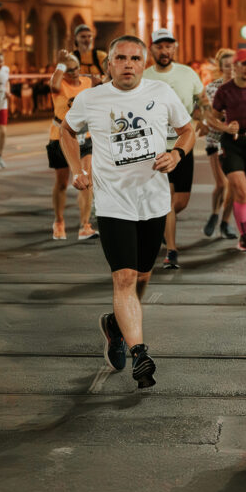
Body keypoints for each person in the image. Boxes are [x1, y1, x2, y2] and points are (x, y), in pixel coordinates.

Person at [60, 35, 195, 388]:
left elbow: (187, 130)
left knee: (142, 278)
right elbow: (66, 130)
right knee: (124, 279)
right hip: (113, 202)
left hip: (152, 202)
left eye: (136, 58)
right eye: (121, 58)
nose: (128, 64)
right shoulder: (91, 98)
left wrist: (177, 155)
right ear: (109, 64)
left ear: (144, 62)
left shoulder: (161, 93)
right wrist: (78, 169)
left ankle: (116, 327)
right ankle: (139, 353)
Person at [143, 28, 205, 269]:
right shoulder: (145, 76)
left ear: (175, 48)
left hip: (183, 146)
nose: (164, 51)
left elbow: (201, 100)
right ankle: (172, 250)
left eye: (168, 46)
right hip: (156, 149)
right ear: (152, 50)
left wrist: (204, 114)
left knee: (181, 202)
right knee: (167, 200)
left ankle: (160, 226)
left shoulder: (188, 74)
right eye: (159, 46)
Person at [207, 49, 246, 252]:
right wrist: (225, 127)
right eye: (244, 64)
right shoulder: (224, 90)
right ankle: (245, 236)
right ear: (235, 66)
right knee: (242, 192)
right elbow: (211, 118)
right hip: (232, 144)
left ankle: (239, 209)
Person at [47, 49, 98, 240]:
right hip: (59, 137)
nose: (75, 72)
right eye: (70, 70)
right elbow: (53, 84)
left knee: (86, 179)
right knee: (61, 183)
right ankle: (59, 221)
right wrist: (60, 64)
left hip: (85, 136)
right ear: (63, 71)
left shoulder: (87, 82)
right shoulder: (59, 85)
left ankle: (85, 225)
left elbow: (105, 84)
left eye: (76, 68)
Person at [202, 49, 238, 240]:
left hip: (236, 142)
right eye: (227, 66)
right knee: (221, 184)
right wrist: (225, 126)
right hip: (215, 140)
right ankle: (214, 215)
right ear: (220, 68)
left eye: (234, 65)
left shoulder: (244, 87)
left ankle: (225, 222)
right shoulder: (212, 88)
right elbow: (209, 118)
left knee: (233, 184)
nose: (231, 69)